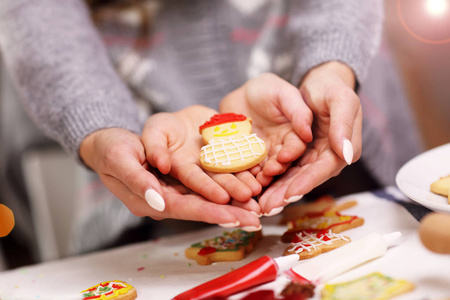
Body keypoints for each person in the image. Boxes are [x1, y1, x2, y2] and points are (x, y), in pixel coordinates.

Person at [0, 0, 423, 254]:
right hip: (152, 143)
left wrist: (332, 64)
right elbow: (37, 15)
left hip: (319, 121)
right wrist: (98, 129)